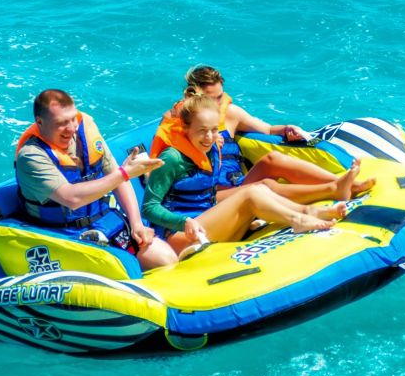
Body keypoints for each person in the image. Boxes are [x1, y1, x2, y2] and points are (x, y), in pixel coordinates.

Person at [142, 95, 348, 256]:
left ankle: (310, 211)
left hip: (209, 221)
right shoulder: (172, 158)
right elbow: (149, 207)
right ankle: (298, 220)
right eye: (202, 130)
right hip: (181, 236)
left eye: (214, 130)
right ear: (186, 128)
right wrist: (182, 222)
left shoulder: (212, 147)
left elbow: (207, 194)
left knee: (258, 188)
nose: (209, 137)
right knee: (250, 194)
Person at [150, 65, 375, 204]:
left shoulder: (230, 114)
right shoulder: (178, 124)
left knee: (273, 159)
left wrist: (287, 129)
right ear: (194, 98)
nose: (218, 104)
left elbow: (267, 130)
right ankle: (333, 190)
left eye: (220, 97)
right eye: (212, 99)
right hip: (210, 194)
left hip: (237, 182)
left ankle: (345, 184)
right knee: (264, 185)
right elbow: (164, 166)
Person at [15, 89, 178, 269]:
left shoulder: (85, 128)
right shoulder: (31, 156)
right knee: (124, 267)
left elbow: (114, 174)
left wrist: (136, 223)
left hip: (104, 221)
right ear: (40, 122)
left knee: (166, 258)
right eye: (61, 123)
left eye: (73, 118)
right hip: (64, 235)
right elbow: (71, 198)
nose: (71, 128)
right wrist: (124, 174)